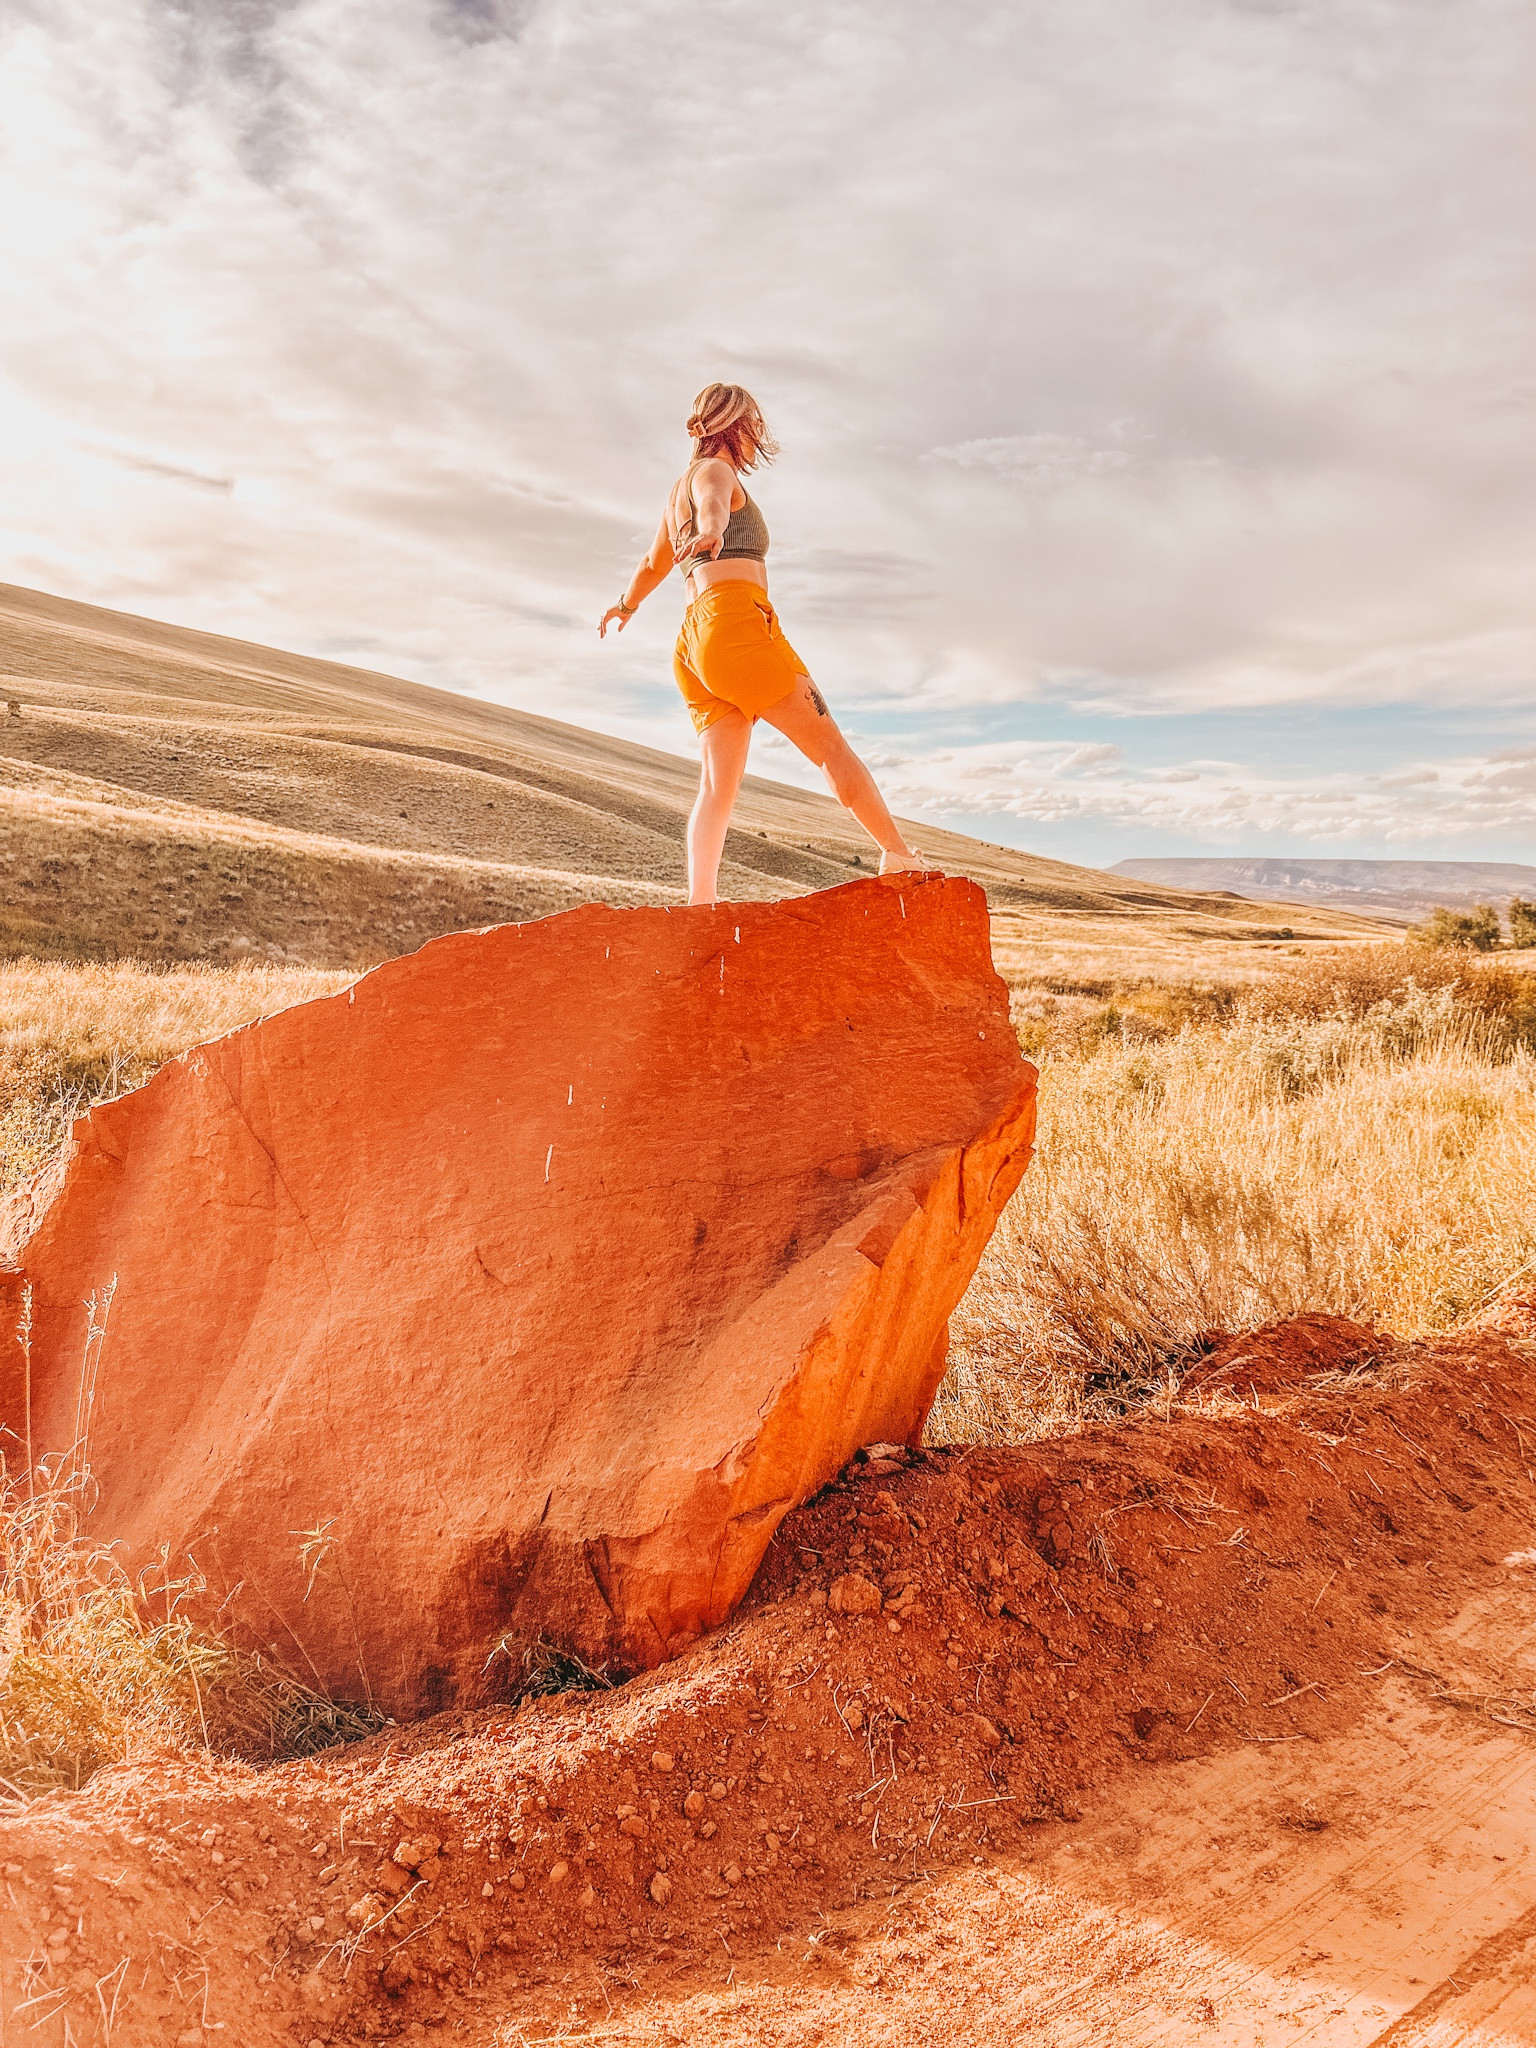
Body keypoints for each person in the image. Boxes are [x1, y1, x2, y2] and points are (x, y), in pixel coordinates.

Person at [599, 383, 926, 905]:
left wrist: (626, 605)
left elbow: (652, 563)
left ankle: (698, 906)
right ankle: (899, 857)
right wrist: (711, 530)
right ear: (738, 427)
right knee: (830, 748)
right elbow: (712, 505)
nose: (758, 439)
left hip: (693, 645)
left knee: (715, 789)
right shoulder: (715, 472)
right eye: (754, 426)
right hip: (738, 628)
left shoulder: (672, 493)